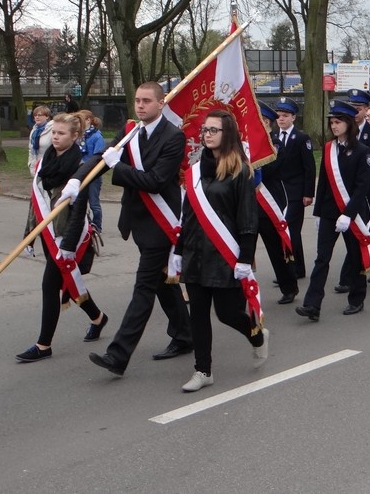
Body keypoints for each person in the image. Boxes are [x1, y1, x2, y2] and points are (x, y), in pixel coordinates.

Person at [66, 81, 192, 377]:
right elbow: (102, 157)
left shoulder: (174, 137)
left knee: (144, 287)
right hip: (139, 220)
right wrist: (77, 179)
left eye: (147, 101)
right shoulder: (131, 130)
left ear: (161, 103)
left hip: (162, 223)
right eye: (137, 100)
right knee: (162, 282)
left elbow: (156, 181)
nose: (140, 105)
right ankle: (186, 334)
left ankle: (118, 354)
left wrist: (118, 166)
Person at [175, 110, 267, 393]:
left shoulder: (241, 170)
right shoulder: (194, 171)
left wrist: (244, 259)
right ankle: (203, 370)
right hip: (195, 253)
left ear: (228, 134)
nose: (207, 134)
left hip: (225, 255)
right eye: (205, 130)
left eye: (214, 130)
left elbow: (249, 219)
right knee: (198, 314)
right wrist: (178, 250)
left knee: (227, 313)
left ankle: (257, 334)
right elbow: (188, 214)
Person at [16, 113, 108, 363]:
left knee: (50, 284)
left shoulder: (80, 166)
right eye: (54, 133)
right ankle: (98, 317)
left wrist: (67, 246)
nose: (56, 137)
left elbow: (79, 210)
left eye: (61, 133)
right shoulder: (47, 160)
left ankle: (43, 345)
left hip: (67, 235)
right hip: (47, 232)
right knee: (68, 279)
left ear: (75, 136)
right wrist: (29, 234)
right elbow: (37, 199)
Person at [297, 100, 370, 320]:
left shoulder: (363, 151)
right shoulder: (329, 149)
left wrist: (348, 216)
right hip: (330, 213)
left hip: (352, 214)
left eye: (338, 122)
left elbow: (361, 189)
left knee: (356, 257)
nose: (334, 126)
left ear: (349, 123)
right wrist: (318, 213)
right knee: (322, 258)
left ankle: (357, 299)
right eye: (332, 122)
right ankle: (312, 305)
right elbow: (324, 184)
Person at [335, 89, 370, 287]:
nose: (355, 112)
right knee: (356, 233)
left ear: (366, 110)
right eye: (352, 108)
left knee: (369, 230)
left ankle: (362, 269)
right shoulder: (344, 132)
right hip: (349, 193)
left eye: (358, 108)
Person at [255, 101, 299, 304]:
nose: (260, 124)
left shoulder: (276, 144)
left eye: (264, 121)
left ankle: (289, 287)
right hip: (247, 206)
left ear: (270, 123)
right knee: (242, 251)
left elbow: (268, 171)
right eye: (258, 120)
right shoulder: (245, 144)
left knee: (275, 249)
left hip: (268, 204)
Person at [274, 97, 315, 279]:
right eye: (279, 116)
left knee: (291, 230)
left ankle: (296, 268)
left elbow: (309, 167)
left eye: (285, 116)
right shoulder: (273, 138)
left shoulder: (301, 138)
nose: (281, 119)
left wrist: (308, 193)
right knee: (281, 230)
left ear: (293, 118)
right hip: (279, 193)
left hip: (296, 192)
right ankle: (288, 267)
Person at [77, 110, 106, 233]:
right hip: (80, 173)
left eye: (81, 120)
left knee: (94, 202)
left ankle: (97, 225)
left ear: (88, 120)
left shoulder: (97, 136)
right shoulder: (78, 135)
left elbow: (99, 156)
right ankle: (84, 223)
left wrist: (86, 164)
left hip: (93, 174)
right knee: (79, 201)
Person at [27, 105, 53, 176]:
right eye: (35, 115)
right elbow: (31, 149)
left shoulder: (52, 130)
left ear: (47, 116)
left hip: (48, 166)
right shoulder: (34, 131)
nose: (37, 117)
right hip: (35, 165)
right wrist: (30, 164)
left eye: (40, 115)